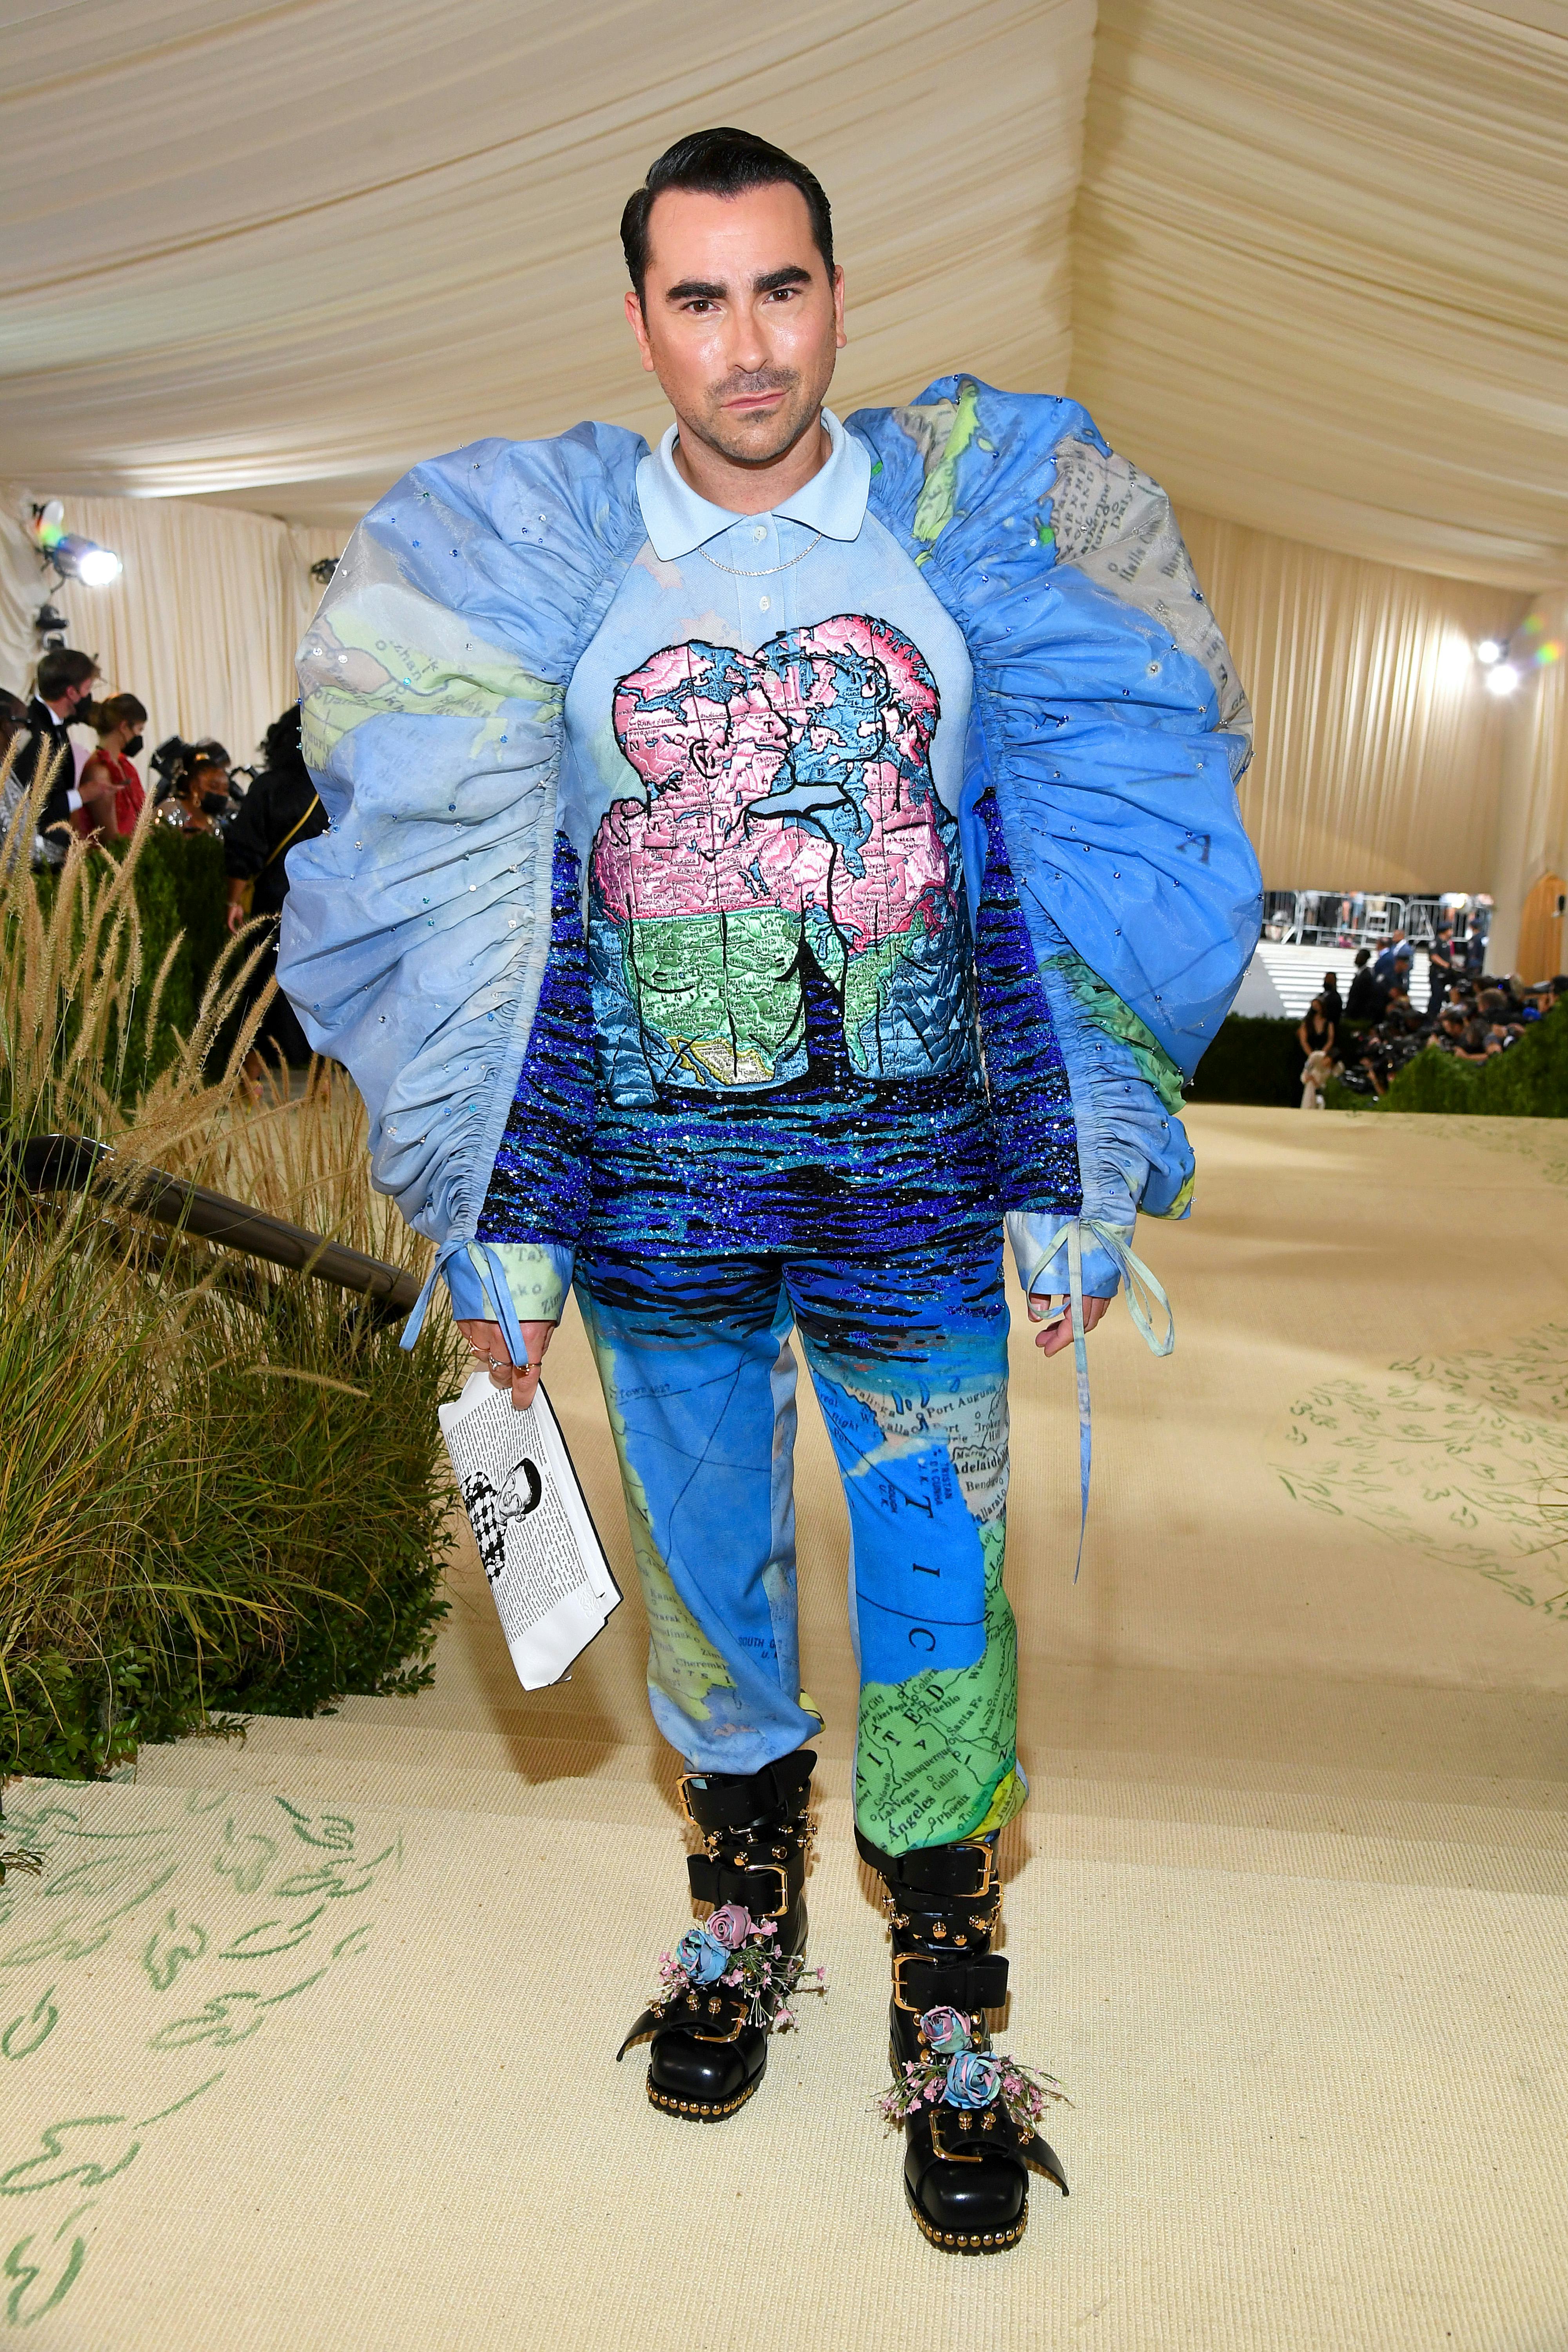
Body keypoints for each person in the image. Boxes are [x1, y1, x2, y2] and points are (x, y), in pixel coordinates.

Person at [279, 127, 1260, 2254]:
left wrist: (1071, 1174)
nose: (749, 343)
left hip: (911, 1217)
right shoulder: (550, 581)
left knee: (932, 1598)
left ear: (839, 293)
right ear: (640, 316)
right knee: (711, 1579)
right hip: (661, 1230)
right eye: (701, 298)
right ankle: (740, 1899)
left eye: (784, 289)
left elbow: (1032, 883)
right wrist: (501, 1240)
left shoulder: (964, 555)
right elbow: (515, 945)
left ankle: (947, 1982)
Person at [223, 705, 328, 1069]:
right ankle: (319, 1070)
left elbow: (245, 847)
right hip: (321, 904)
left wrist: (234, 901)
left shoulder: (266, 787)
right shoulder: (334, 790)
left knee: (265, 982)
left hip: (274, 903)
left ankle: (258, 1064)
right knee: (318, 983)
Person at [8, 647, 116, 860]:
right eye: (88, 687)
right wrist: (83, 795)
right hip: (33, 858)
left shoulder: (56, 726)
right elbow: (27, 805)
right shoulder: (32, 732)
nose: (90, 696)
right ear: (72, 693)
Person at [74, 693, 149, 839]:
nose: (139, 737)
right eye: (140, 730)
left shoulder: (124, 766)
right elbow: (110, 838)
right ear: (124, 726)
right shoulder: (99, 771)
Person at [1344, 947, 1381, 1022]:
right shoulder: (1361, 974)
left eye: (1359, 956)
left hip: (1358, 1014)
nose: (1356, 958)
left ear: (1364, 959)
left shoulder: (1366, 976)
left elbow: (1361, 997)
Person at [1298, 994, 1336, 1067]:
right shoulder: (1307, 1023)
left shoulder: (1329, 1024)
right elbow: (1304, 1041)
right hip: (1308, 1054)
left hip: (1323, 1054)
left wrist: (1322, 1054)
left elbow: (1330, 1040)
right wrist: (1312, 1055)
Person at [1318, 969, 1344, 1034]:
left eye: (1330, 980)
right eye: (1326, 979)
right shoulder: (1321, 996)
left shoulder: (1336, 998)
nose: (1327, 982)